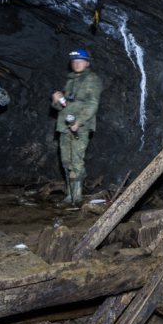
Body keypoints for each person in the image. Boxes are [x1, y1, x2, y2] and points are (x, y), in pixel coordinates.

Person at [51, 49, 103, 206]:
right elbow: (63, 107)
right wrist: (56, 101)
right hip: (65, 126)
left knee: (76, 161)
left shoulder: (92, 79)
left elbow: (93, 104)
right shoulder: (70, 81)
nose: (77, 64)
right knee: (65, 161)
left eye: (80, 61)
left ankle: (78, 198)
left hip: (80, 127)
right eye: (74, 61)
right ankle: (69, 196)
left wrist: (79, 122)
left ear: (87, 63)